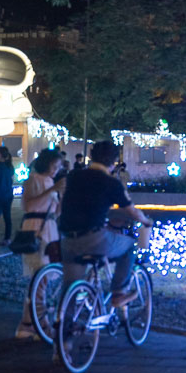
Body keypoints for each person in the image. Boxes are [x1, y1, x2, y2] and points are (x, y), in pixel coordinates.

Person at [58, 140, 153, 308]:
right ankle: (119, 292)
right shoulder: (111, 183)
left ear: (91, 157)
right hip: (93, 240)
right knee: (129, 247)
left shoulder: (74, 176)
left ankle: (64, 327)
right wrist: (146, 221)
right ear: (114, 160)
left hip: (67, 239)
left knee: (70, 290)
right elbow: (131, 210)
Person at [15, 149, 63, 339]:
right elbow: (29, 206)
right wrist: (52, 190)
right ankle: (39, 323)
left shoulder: (52, 182)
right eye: (54, 166)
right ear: (46, 163)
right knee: (40, 278)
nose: (56, 170)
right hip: (35, 228)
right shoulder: (33, 180)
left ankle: (27, 324)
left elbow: (55, 212)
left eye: (59, 167)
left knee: (40, 278)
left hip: (49, 229)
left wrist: (61, 194)